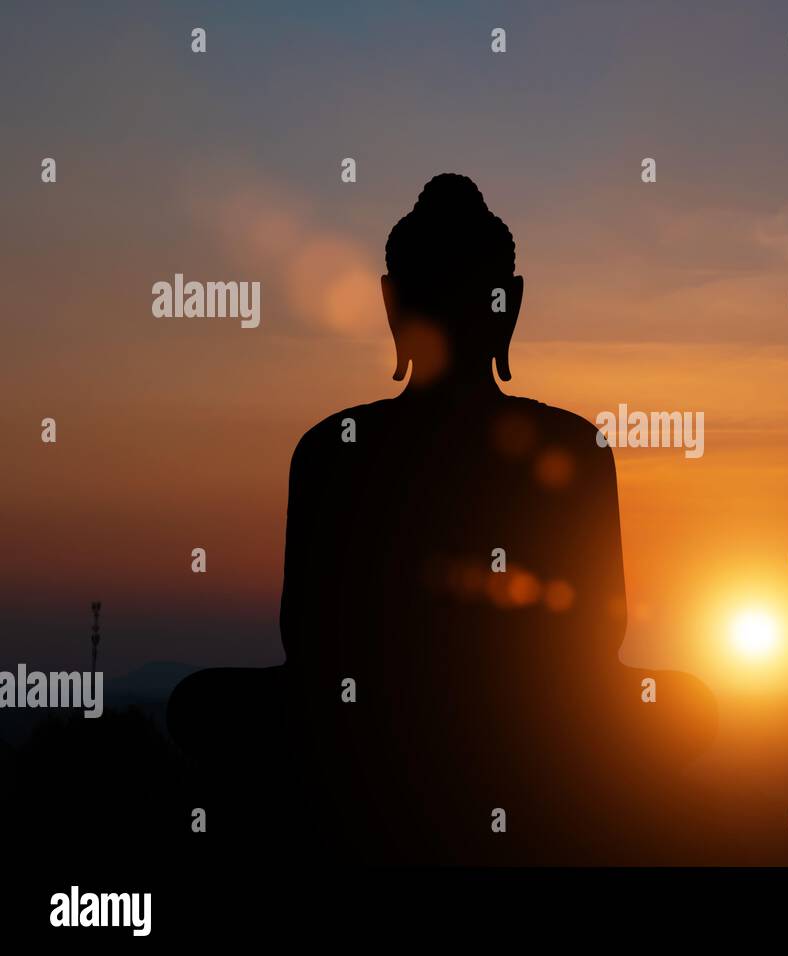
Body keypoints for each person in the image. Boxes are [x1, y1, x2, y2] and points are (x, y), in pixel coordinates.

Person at [168, 174, 716, 861]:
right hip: (516, 739)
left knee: (202, 706)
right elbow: (597, 635)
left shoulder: (336, 449)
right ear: (508, 307)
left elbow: (306, 637)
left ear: (394, 307)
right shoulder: (568, 447)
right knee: (684, 706)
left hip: (382, 741)